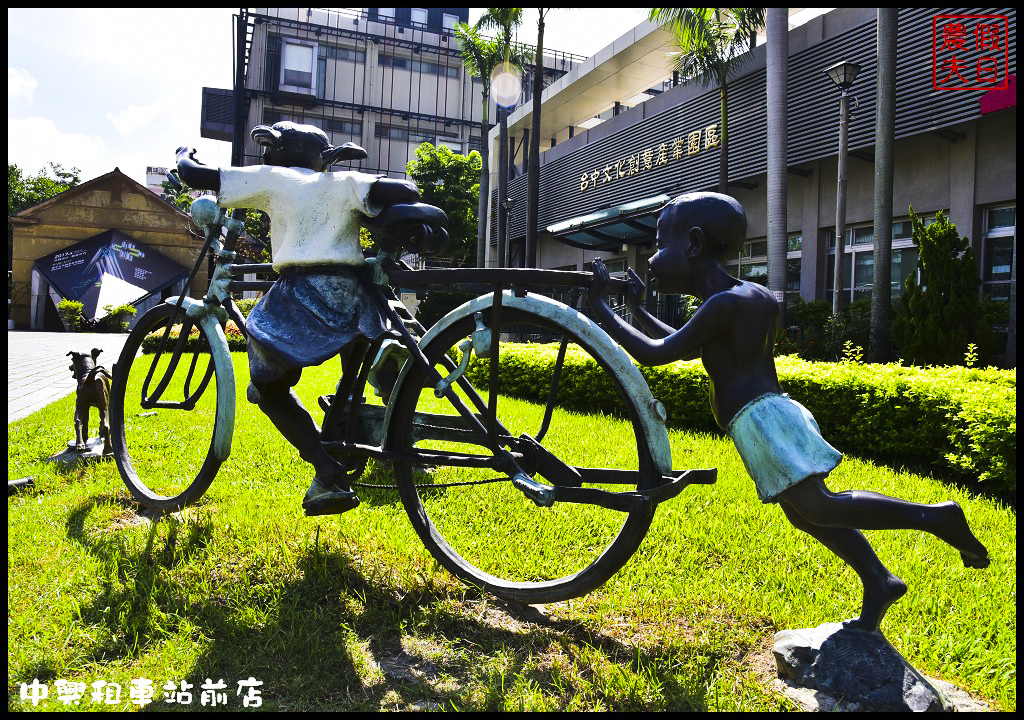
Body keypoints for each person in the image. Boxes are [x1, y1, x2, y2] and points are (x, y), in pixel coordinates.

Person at [588, 191, 989, 632]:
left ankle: (936, 516)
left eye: (660, 243)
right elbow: (685, 343)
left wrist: (602, 309)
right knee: (804, 514)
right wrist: (637, 308)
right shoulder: (749, 297)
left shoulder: (722, 305)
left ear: (694, 244)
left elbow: (657, 353)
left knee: (819, 506)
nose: (651, 258)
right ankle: (878, 579)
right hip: (775, 412)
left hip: (761, 421)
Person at [176, 121, 446, 517]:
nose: (266, 155)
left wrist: (184, 155)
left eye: (270, 149)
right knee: (353, 362)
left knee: (269, 389)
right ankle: (343, 437)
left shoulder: (275, 178)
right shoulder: (341, 182)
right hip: (355, 295)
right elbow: (403, 190)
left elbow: (195, 176)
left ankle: (328, 471)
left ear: (280, 151)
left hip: (305, 293)